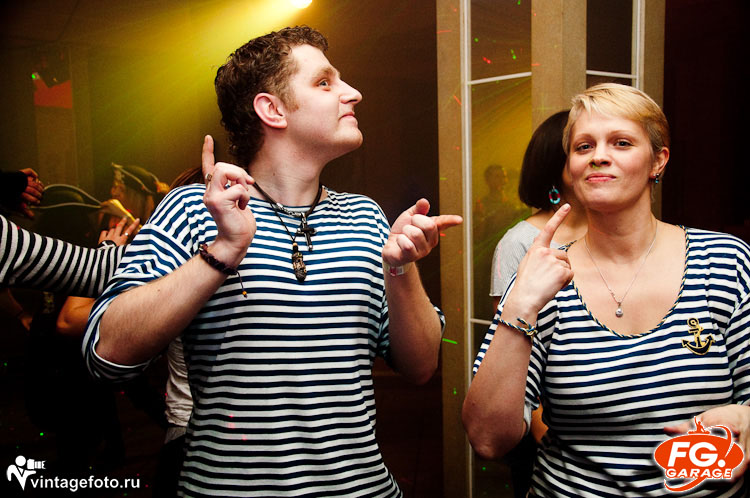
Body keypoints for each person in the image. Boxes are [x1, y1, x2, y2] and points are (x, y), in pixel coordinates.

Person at [83, 26, 461, 497]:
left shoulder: (364, 216)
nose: (353, 93)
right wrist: (223, 251)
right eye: (324, 82)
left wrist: (401, 269)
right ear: (272, 110)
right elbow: (106, 355)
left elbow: (421, 366)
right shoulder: (196, 210)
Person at [463, 83, 749, 497]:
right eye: (584, 146)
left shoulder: (723, 262)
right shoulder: (545, 275)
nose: (598, 156)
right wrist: (521, 303)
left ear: (658, 160)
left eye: (621, 142)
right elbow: (487, 438)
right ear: (570, 166)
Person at [490, 110, 587, 311]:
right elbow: (507, 324)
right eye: (583, 148)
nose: (598, 158)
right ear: (555, 161)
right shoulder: (518, 243)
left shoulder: (613, 230)